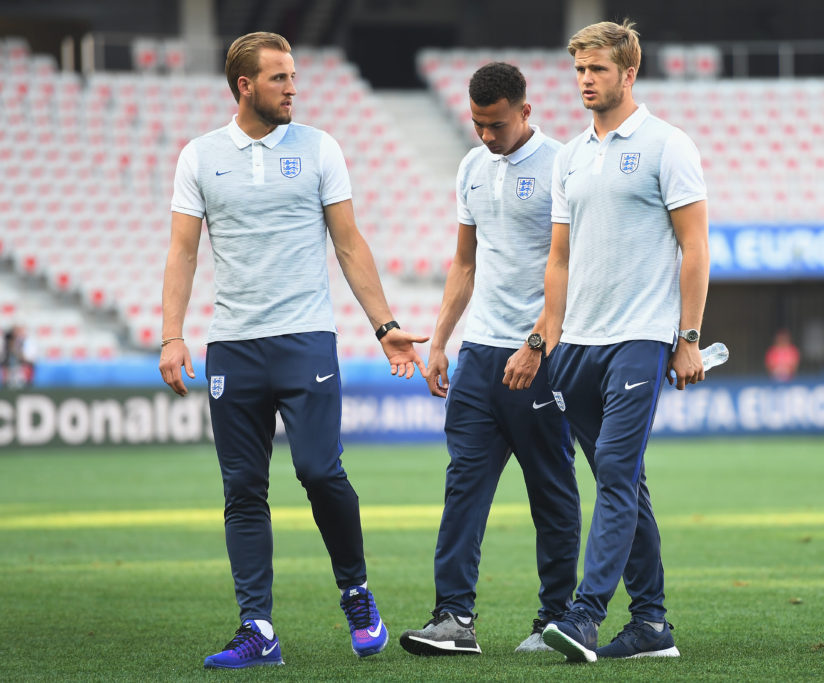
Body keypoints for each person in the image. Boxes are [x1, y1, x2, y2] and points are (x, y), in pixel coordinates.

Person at [158, 32, 427, 669]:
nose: (293, 88)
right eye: (279, 78)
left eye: (293, 76)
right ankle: (257, 627)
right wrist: (173, 334)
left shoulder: (318, 148)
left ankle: (356, 592)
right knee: (242, 489)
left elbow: (350, 243)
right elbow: (182, 251)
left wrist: (384, 324)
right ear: (245, 85)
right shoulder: (200, 156)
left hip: (306, 338)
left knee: (318, 470)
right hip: (233, 347)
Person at [539, 20, 709, 662]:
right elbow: (559, 257)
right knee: (624, 481)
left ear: (629, 73)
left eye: (598, 70)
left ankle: (583, 617)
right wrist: (548, 340)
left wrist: (687, 336)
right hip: (575, 346)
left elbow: (695, 247)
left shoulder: (668, 145)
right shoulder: (570, 154)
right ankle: (653, 626)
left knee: (613, 474)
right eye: (579, 69)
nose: (585, 80)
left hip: (640, 338)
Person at [399, 62, 581, 657]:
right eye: (477, 124)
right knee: (463, 487)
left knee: (550, 491)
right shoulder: (472, 167)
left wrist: (535, 344)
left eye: (496, 124)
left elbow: (573, 268)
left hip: (541, 355)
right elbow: (464, 264)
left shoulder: (563, 165)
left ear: (525, 112)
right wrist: (439, 342)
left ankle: (556, 620)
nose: (485, 136)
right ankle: (453, 618)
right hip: (479, 355)